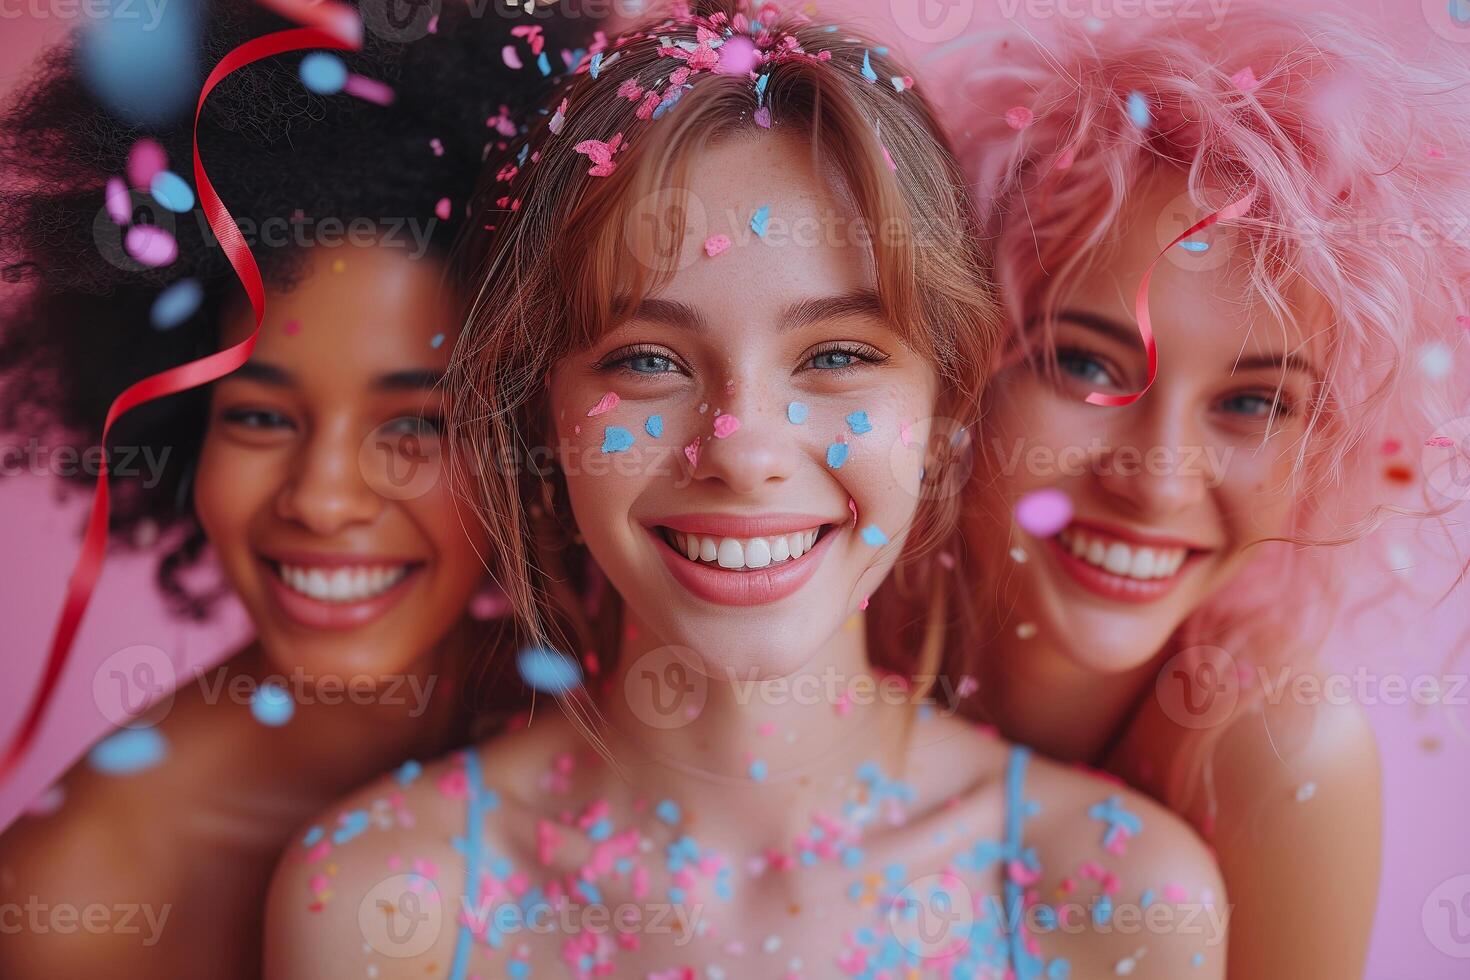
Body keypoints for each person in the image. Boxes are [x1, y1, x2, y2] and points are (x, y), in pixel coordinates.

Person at [264, 3, 1228, 977]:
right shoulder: (381, 900)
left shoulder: (1114, 895)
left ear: (945, 413)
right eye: (646, 359)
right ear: (539, 417)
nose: (742, 450)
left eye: (839, 354)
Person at [0, 2, 588, 975]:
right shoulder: (72, 896)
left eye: (415, 424)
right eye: (261, 416)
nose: (321, 497)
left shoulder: (631, 714)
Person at [938, 7, 1470, 976]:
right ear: (962, 360)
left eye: (1253, 401)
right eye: (1087, 367)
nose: (1160, 478)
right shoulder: (803, 626)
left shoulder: (1274, 758)